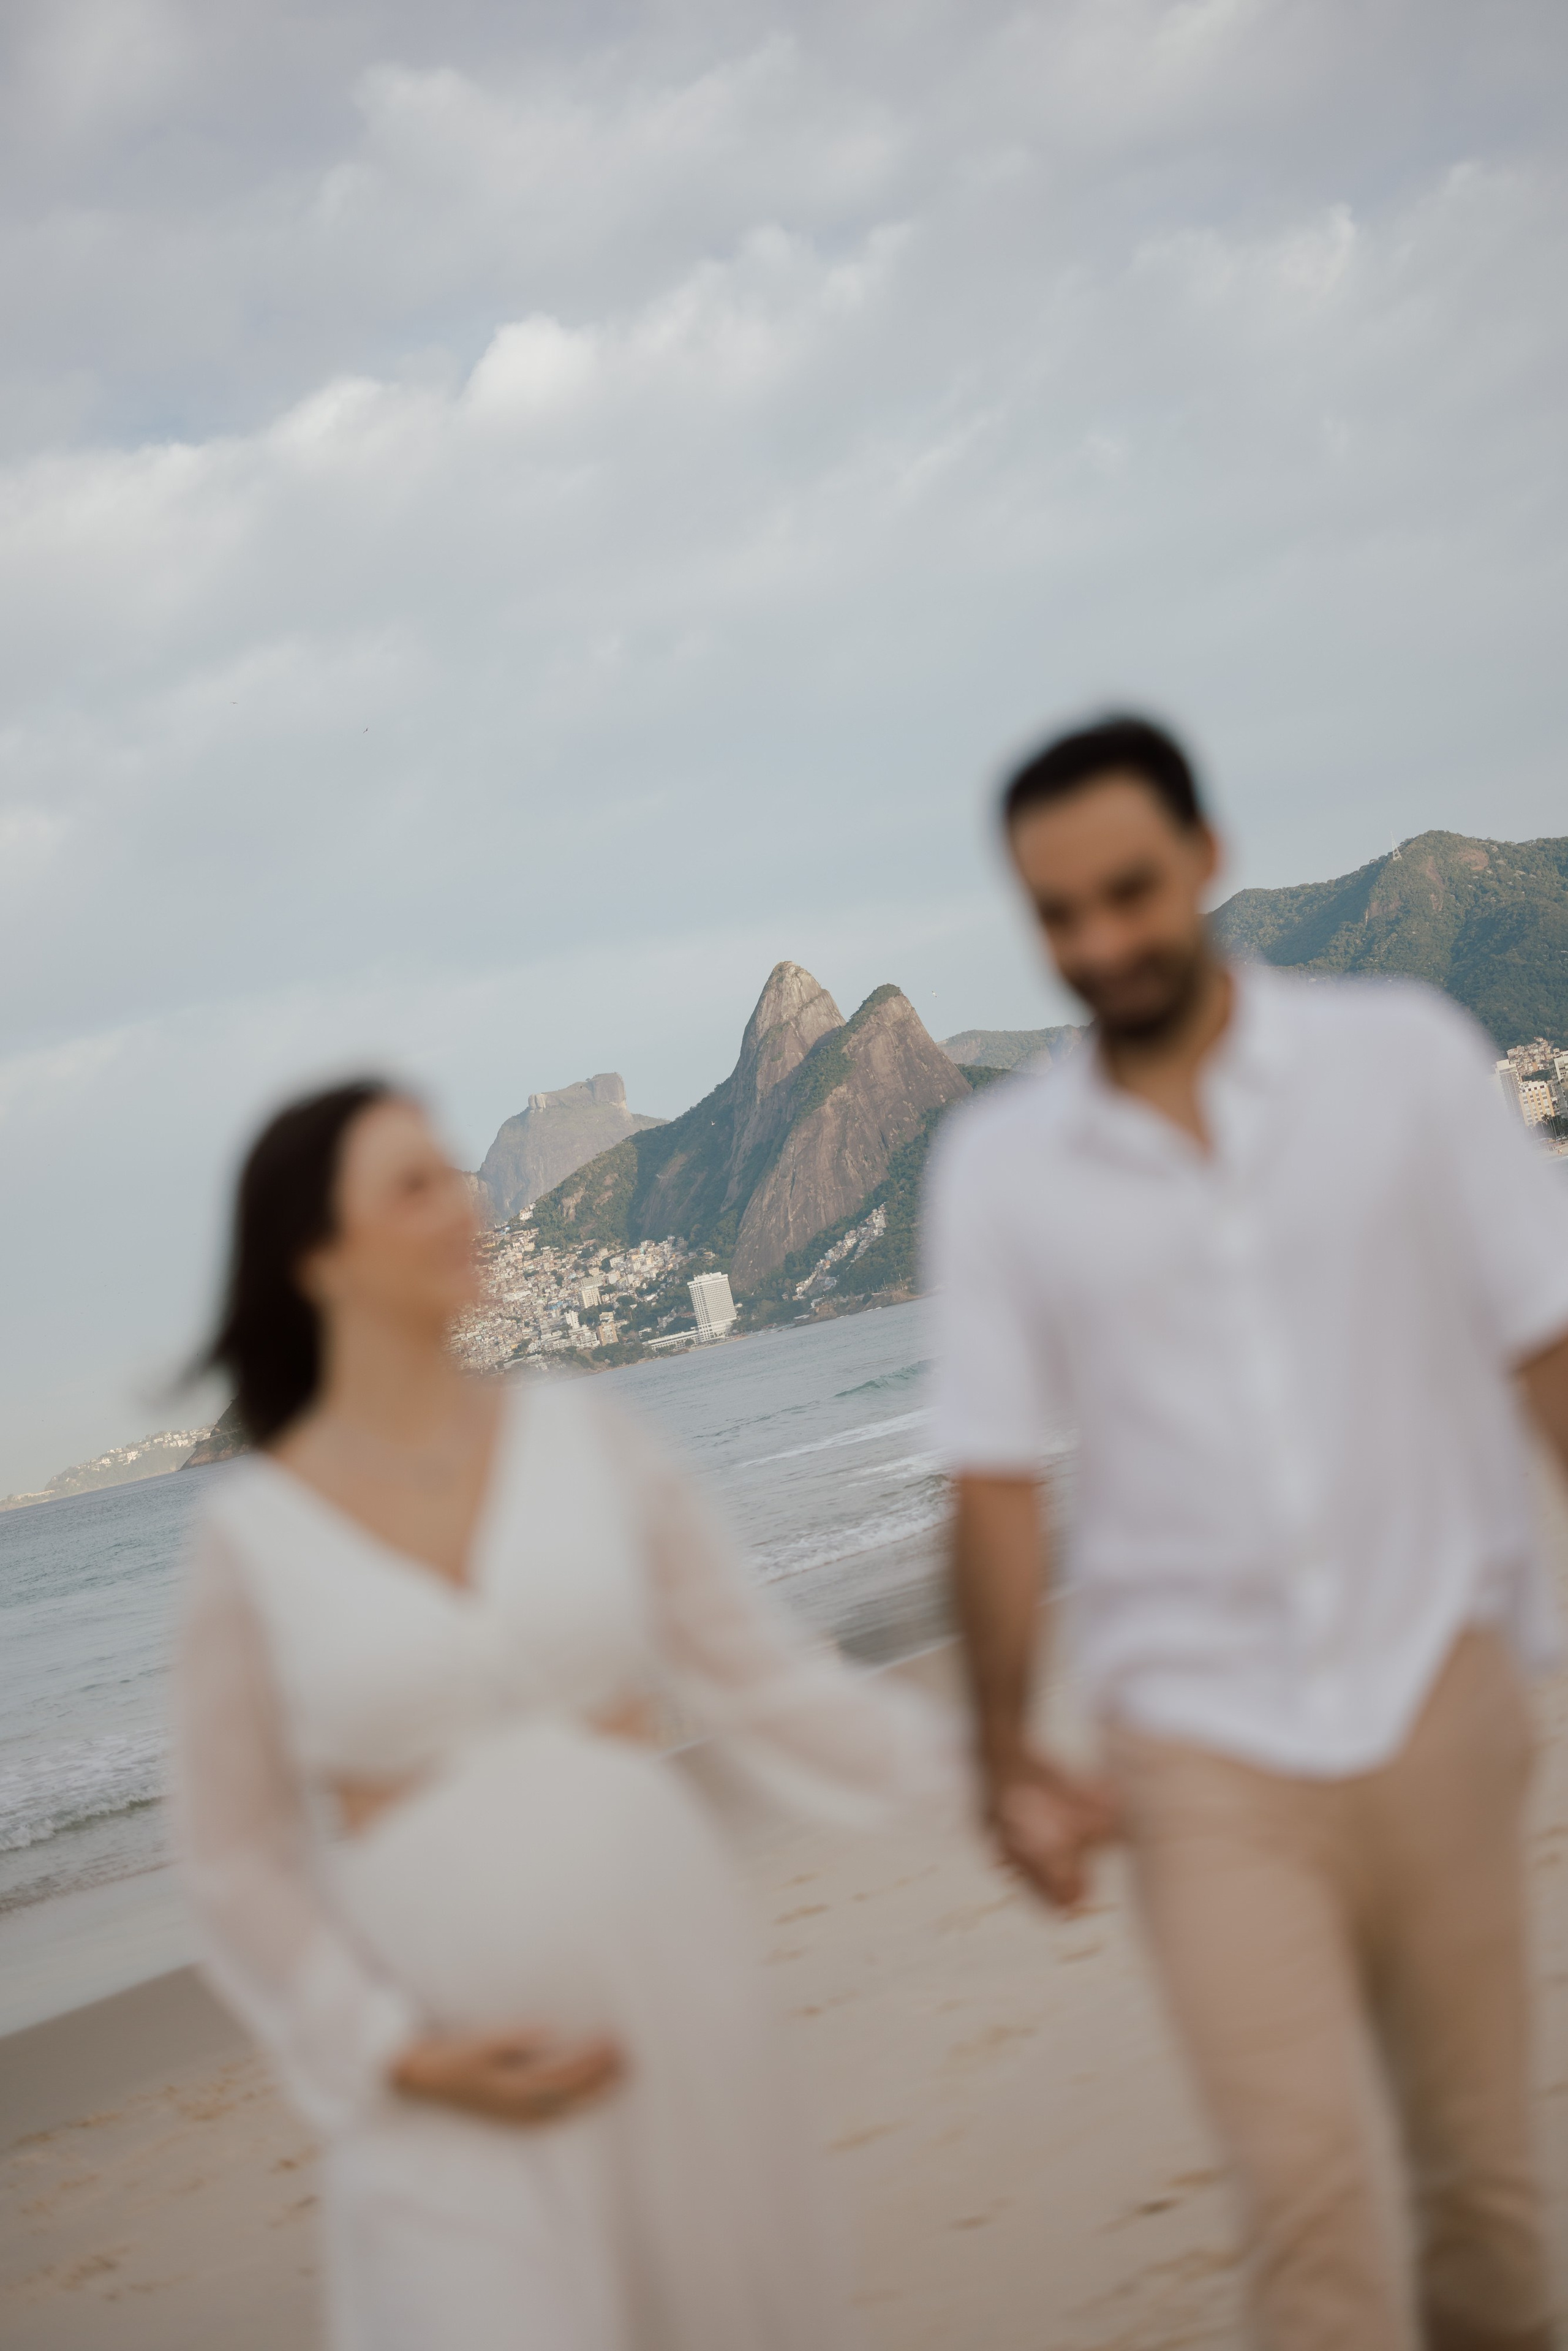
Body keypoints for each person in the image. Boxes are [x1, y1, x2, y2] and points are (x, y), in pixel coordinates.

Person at [927, 715, 1568, 2351]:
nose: (1101, 944)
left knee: (1487, 2191)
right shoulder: (999, 1170)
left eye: (1129, 894)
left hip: (1441, 1681)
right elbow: (994, 1483)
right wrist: (1001, 1750)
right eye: (1058, 915)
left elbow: (1543, 1341)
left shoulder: (1405, 1057)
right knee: (1306, 2207)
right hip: (1198, 1745)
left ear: (1208, 857)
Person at [174, 1079, 948, 2351]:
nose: (462, 1203)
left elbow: (769, 1680)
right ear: (315, 1257)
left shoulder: (589, 1437)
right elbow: (234, 1861)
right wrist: (390, 2051)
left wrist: (985, 1775)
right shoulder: (245, 1541)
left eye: (454, 1173)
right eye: (412, 1183)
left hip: (672, 2015)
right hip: (445, 2086)